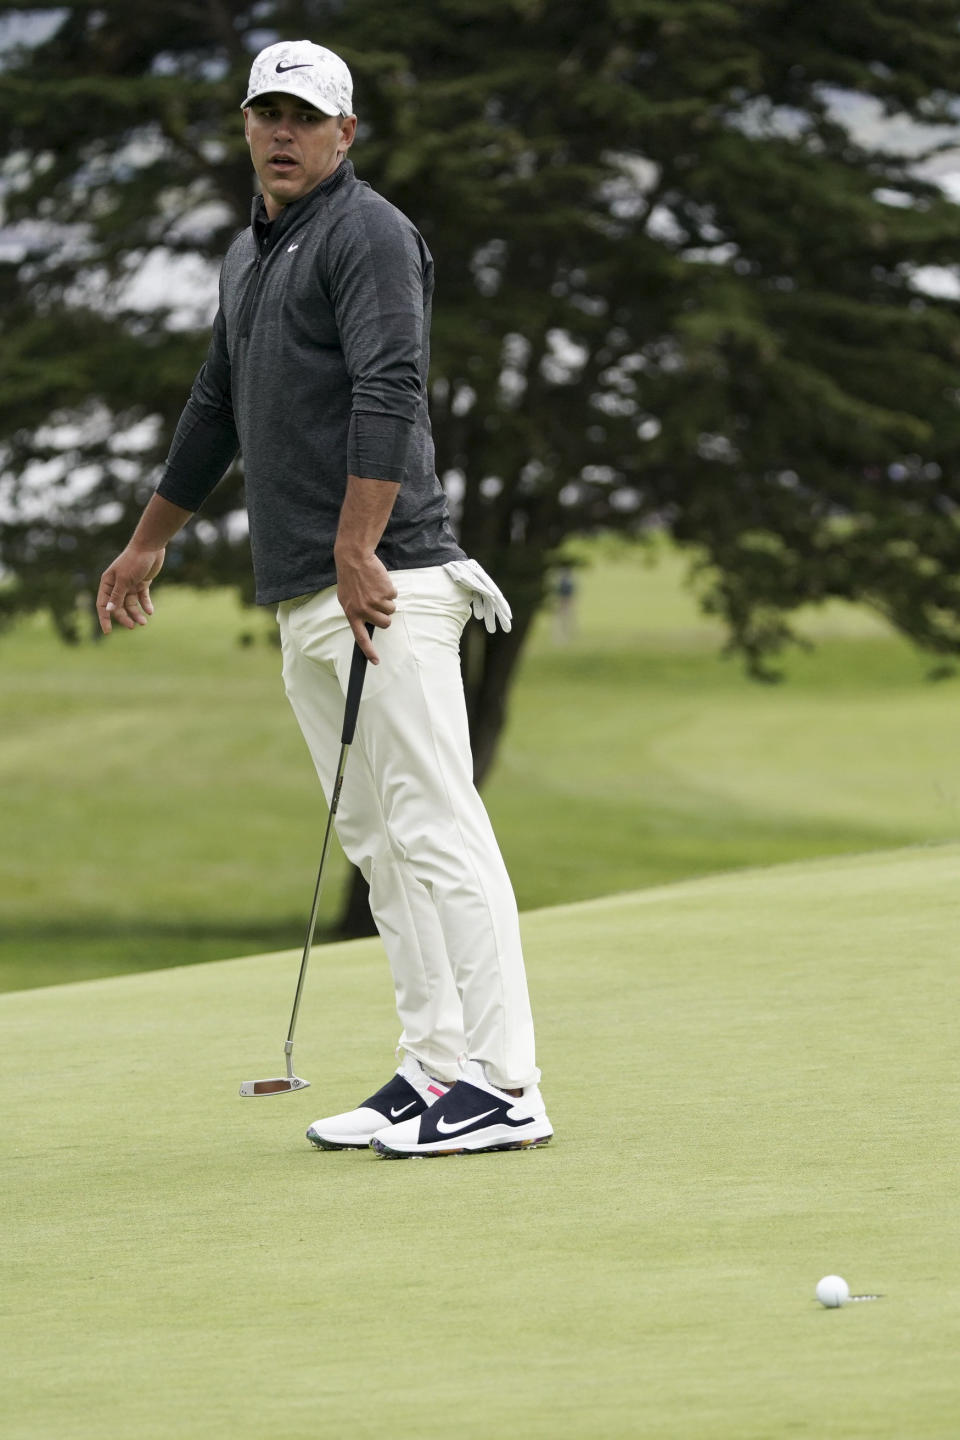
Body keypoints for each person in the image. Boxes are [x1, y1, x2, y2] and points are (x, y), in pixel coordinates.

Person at [95, 40, 552, 1159]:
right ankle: (432, 1067)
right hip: (313, 587)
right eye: (267, 115)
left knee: (438, 829)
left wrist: (361, 549)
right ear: (246, 127)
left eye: (306, 117)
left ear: (346, 134)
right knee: (377, 839)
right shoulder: (251, 257)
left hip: (388, 582)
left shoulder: (370, 233)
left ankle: (506, 1084)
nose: (284, 133)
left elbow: (391, 384)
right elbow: (216, 404)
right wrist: (148, 543)